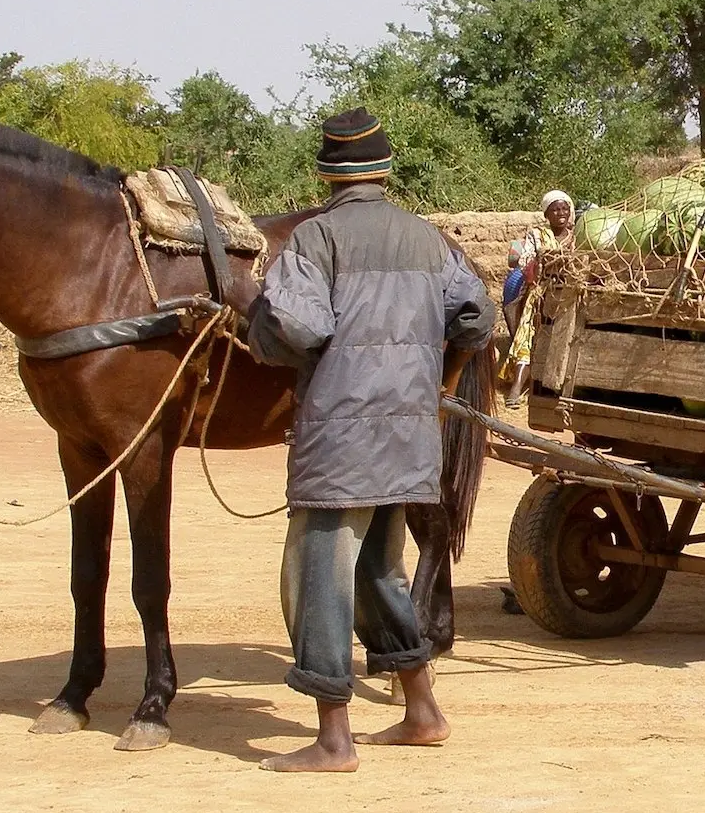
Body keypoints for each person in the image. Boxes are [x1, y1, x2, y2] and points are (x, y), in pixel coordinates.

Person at [246, 108, 497, 773]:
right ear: (384, 171)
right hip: (410, 434)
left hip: (339, 438)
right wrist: (435, 385)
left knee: (317, 576)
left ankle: (333, 739)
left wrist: (255, 320)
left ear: (326, 174)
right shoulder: (427, 240)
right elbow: (476, 319)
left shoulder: (316, 239)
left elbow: (297, 331)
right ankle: (422, 712)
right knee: (378, 571)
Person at [500, 190, 575, 408]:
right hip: (540, 293)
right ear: (546, 215)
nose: (561, 213)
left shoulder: (578, 235)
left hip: (569, 295)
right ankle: (516, 390)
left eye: (564, 208)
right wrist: (543, 260)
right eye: (555, 209)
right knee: (527, 336)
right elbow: (524, 261)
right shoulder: (537, 235)